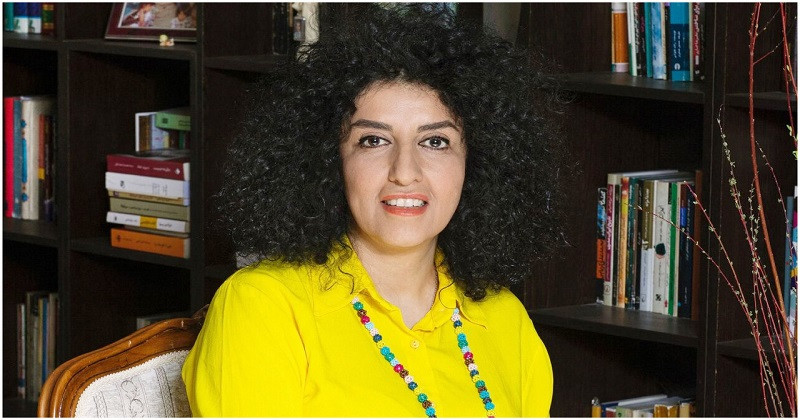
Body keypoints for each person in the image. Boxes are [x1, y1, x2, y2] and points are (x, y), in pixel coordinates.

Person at [182, 4, 567, 417]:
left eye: (435, 142)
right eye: (373, 141)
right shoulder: (261, 306)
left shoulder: (505, 317)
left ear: (477, 163)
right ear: (328, 159)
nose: (405, 172)